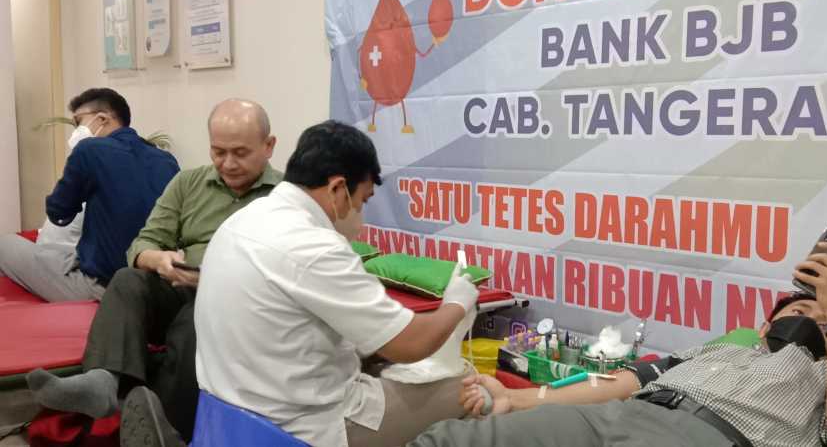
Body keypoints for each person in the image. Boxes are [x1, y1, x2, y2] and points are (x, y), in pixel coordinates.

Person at [411, 242, 827, 447]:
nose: (811, 319)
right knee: (454, 440)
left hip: (709, 437)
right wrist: (517, 399)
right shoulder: (718, 351)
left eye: (822, 319)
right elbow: (621, 384)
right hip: (619, 416)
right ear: (765, 326)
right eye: (800, 310)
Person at [194, 120, 481, 447]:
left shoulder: (242, 220)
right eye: (363, 200)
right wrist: (457, 303)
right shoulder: (315, 246)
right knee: (471, 390)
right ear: (338, 189)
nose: (360, 212)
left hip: (229, 420)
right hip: (302, 430)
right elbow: (411, 345)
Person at [25, 99, 280, 445]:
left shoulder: (283, 198)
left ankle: (164, 428)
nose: (228, 163)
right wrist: (159, 260)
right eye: (219, 152)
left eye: (240, 153)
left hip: (238, 303)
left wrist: (216, 279)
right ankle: (102, 381)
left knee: (196, 321)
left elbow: (289, 269)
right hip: (179, 285)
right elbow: (142, 243)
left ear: (268, 146)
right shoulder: (188, 183)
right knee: (127, 279)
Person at [0, 88, 179, 302]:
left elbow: (58, 211)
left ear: (102, 119)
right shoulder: (166, 160)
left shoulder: (89, 149)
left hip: (104, 287)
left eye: (78, 122)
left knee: (5, 244)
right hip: (157, 283)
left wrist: (77, 173)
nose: (76, 130)